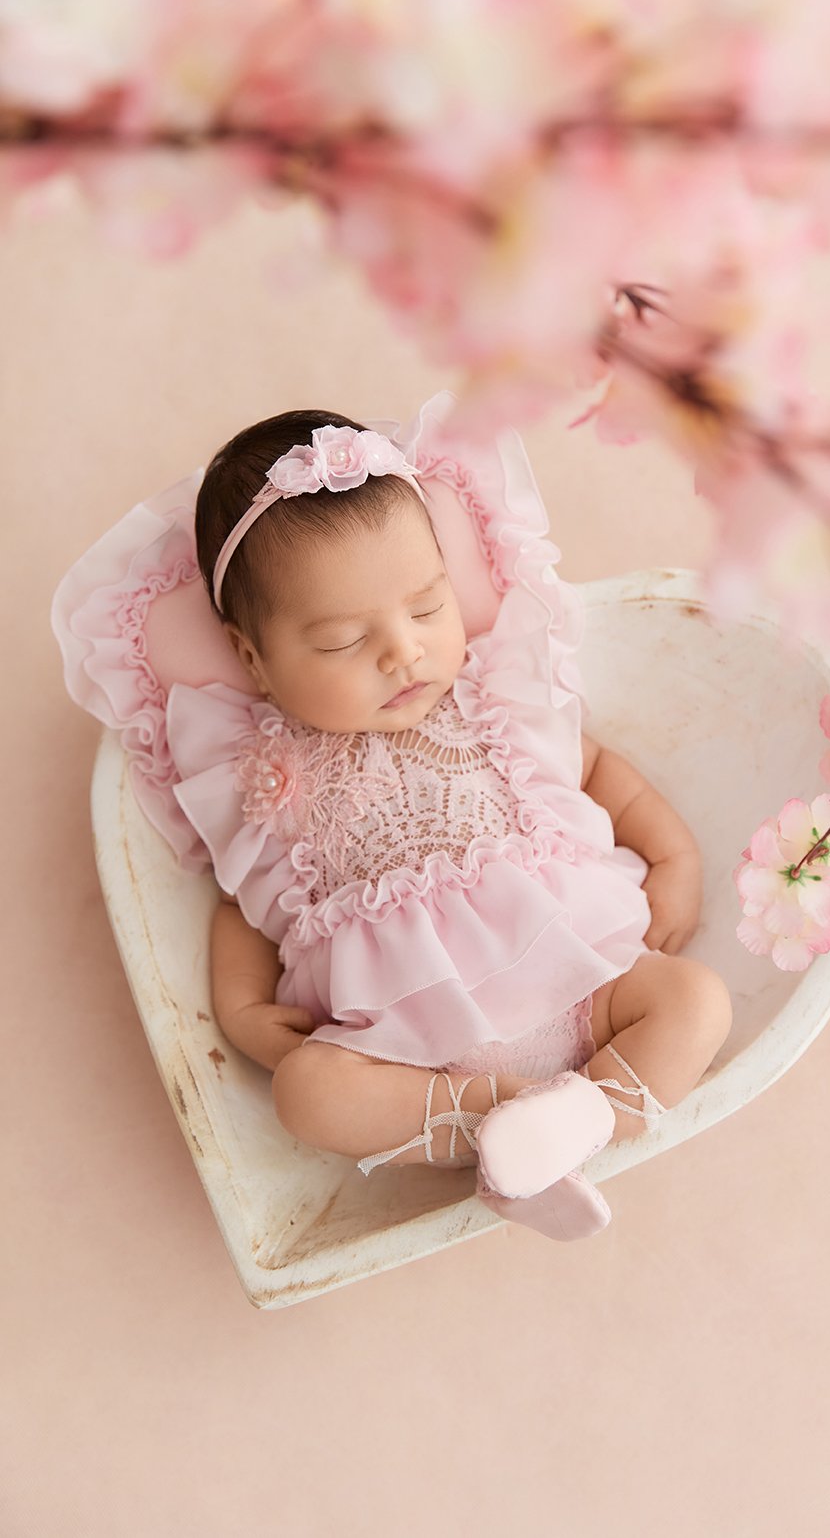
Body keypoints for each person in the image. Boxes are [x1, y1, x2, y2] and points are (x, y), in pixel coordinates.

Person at [166, 401, 733, 1241]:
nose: (403, 651)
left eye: (428, 608)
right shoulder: (261, 777)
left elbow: (597, 770)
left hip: (582, 989)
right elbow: (239, 904)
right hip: (412, 1055)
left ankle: (583, 1119)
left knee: (693, 1000)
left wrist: (671, 855)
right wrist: (243, 1009)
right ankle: (499, 1130)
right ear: (254, 658)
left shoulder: (492, 705)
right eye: (342, 640)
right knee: (306, 1093)